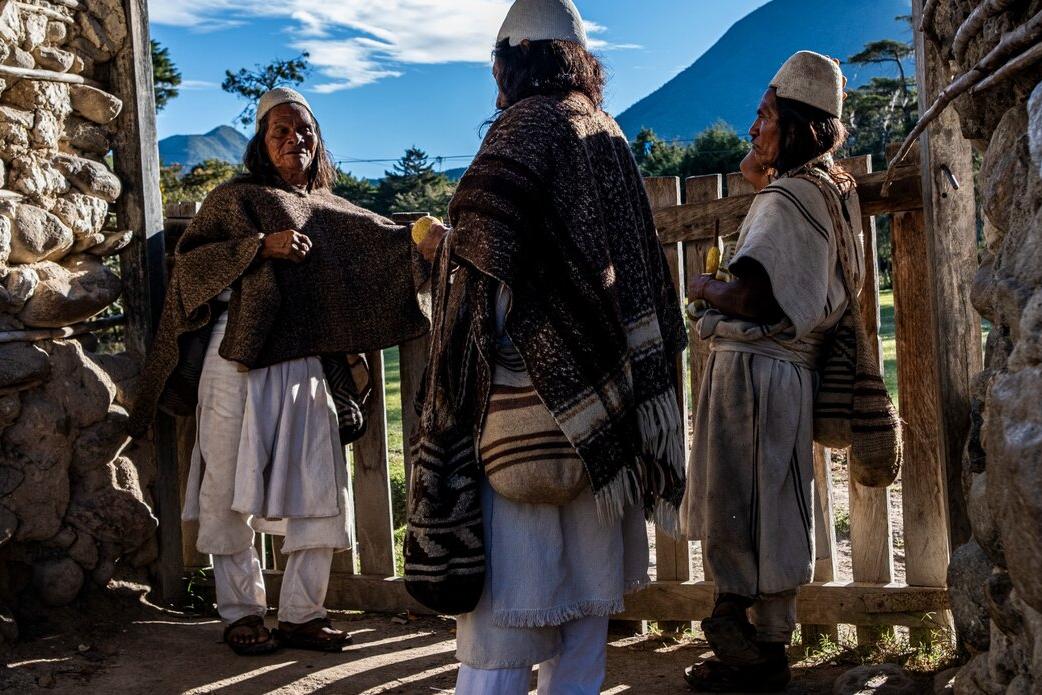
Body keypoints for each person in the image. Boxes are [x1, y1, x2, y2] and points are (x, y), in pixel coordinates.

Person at [413, 1, 688, 692]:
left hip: (524, 410)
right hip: (603, 417)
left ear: (510, 62)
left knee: (503, 632)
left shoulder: (522, 129)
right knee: (583, 621)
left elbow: (482, 268)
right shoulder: (606, 131)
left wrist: (441, 253)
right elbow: (637, 278)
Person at [128, 88, 433, 655]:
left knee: (318, 483)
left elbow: (389, 246)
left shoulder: (332, 210)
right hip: (233, 361)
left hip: (304, 365)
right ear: (262, 143)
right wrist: (256, 248)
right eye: (282, 131)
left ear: (318, 140)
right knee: (226, 485)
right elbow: (190, 269)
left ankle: (302, 614)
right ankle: (241, 611)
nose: (296, 139)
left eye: (305, 130)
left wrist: (426, 237)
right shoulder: (233, 200)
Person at [680, 51, 864, 692]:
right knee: (775, 507)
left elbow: (757, 297)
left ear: (795, 124)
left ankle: (737, 634)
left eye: (763, 117)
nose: (752, 129)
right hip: (785, 375)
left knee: (739, 504)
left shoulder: (791, 197)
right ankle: (765, 649)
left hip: (755, 374)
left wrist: (705, 287)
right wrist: (760, 167)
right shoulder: (831, 192)